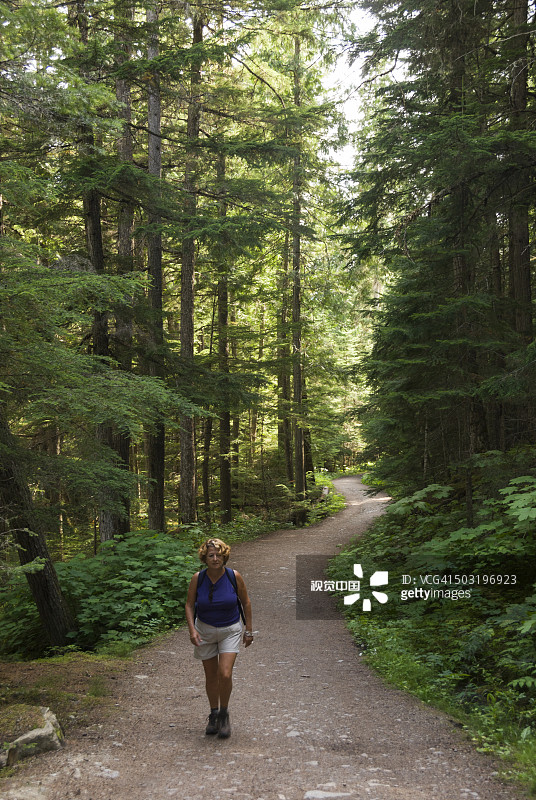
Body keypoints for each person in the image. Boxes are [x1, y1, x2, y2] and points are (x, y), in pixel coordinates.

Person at [185, 538, 253, 739]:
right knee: (211, 675)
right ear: (204, 558)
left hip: (230, 629)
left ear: (224, 556)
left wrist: (249, 630)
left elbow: (246, 602)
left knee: (224, 673)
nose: (215, 559)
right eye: (211, 555)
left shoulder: (234, 576)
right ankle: (213, 714)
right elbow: (189, 605)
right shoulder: (198, 578)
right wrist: (192, 630)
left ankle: (224, 713)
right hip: (204, 629)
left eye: (218, 555)